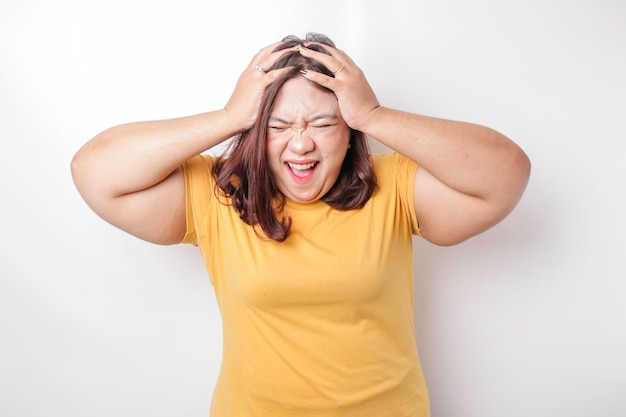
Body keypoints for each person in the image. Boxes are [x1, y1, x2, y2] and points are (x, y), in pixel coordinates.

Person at [71, 32, 530, 417]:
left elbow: (505, 173)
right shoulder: (218, 194)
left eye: (324, 123)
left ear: (349, 130)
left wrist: (374, 114)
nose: (301, 143)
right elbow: (95, 171)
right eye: (278, 125)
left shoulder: (394, 186)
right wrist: (229, 117)